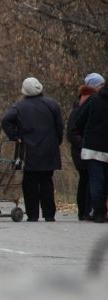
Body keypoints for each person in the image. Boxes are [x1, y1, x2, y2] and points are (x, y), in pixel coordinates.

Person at [1, 77, 64, 222]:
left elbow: (6, 121)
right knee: (47, 181)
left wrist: (15, 137)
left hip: (27, 150)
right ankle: (49, 214)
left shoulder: (19, 107)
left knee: (30, 183)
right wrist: (56, 141)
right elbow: (60, 127)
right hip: (49, 149)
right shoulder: (52, 104)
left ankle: (33, 214)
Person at [66, 73, 104, 221]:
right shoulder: (88, 102)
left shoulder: (85, 101)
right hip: (85, 148)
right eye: (100, 85)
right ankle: (88, 210)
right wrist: (83, 143)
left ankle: (86, 211)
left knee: (88, 180)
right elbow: (73, 129)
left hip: (87, 147)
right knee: (88, 179)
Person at [76, 74, 108, 223]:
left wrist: (85, 134)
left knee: (95, 181)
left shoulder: (94, 100)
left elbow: (79, 120)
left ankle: (99, 212)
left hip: (93, 146)